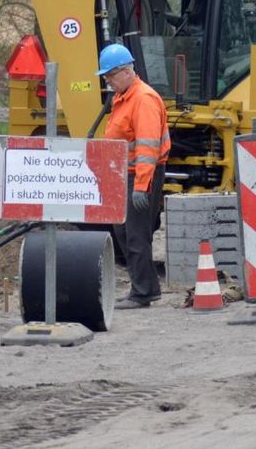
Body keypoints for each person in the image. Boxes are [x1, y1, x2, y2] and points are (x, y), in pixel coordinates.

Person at [97, 43, 170, 310]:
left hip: (139, 175)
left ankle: (142, 293)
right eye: (106, 76)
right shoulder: (124, 97)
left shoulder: (143, 99)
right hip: (124, 175)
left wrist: (141, 186)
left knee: (136, 234)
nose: (108, 81)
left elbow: (148, 148)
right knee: (124, 231)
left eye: (110, 75)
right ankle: (145, 287)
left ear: (127, 72)